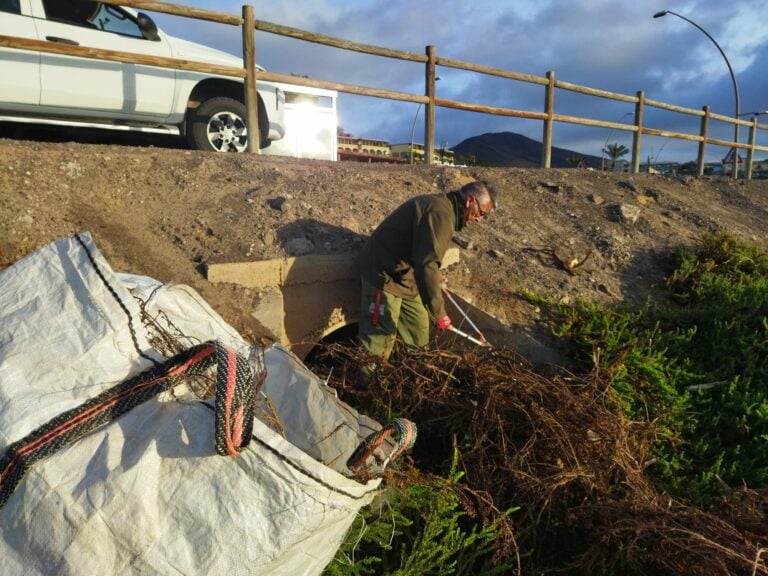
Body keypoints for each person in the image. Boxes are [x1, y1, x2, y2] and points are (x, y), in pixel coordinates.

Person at [358, 180, 497, 361]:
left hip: (405, 276)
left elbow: (425, 252)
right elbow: (427, 264)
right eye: (481, 213)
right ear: (470, 201)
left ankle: (417, 371)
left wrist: (435, 273)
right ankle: (368, 380)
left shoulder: (445, 209)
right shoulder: (441, 213)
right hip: (383, 273)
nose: (479, 219)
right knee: (379, 341)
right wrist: (439, 313)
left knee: (418, 329)